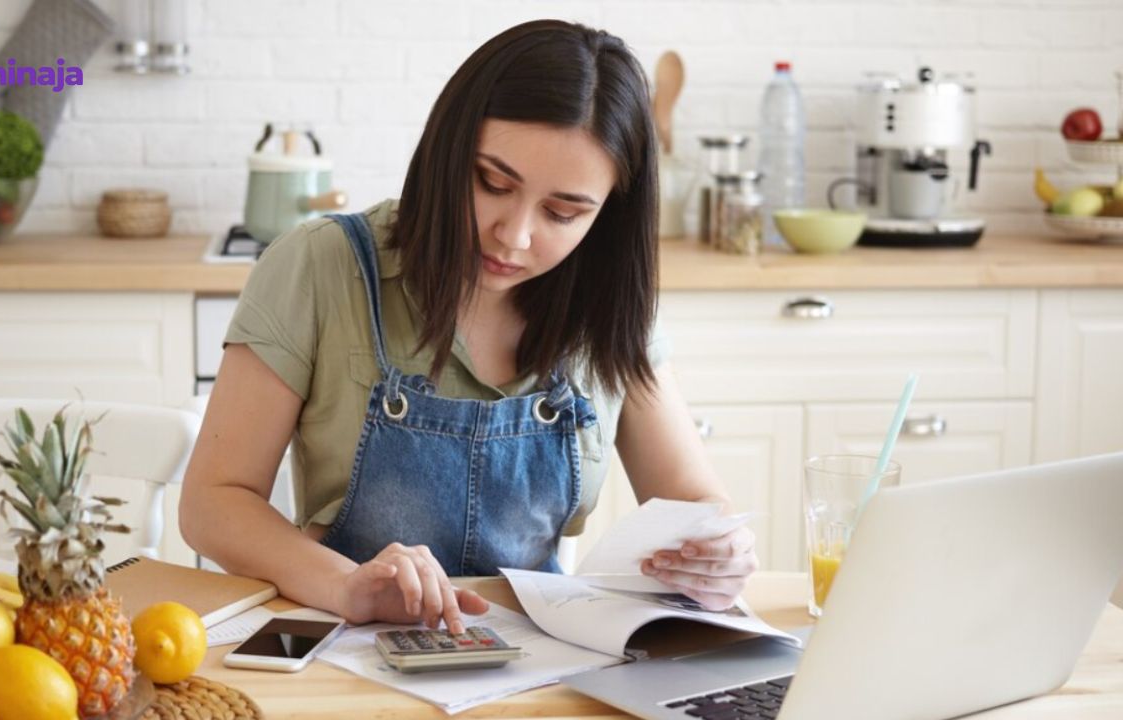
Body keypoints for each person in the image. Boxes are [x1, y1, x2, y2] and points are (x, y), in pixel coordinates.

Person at [179, 19, 757, 637]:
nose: (516, 235)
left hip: (540, 657)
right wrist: (346, 587)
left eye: (563, 212)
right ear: (447, 149)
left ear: (608, 214)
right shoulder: (320, 265)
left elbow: (693, 499)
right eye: (492, 183)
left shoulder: (608, 304)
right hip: (348, 645)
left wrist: (718, 551)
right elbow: (214, 502)